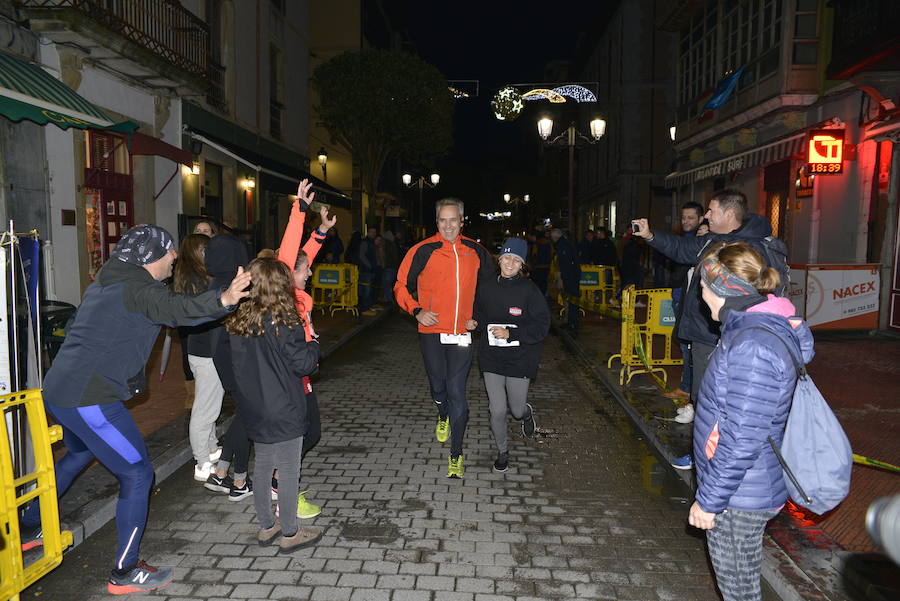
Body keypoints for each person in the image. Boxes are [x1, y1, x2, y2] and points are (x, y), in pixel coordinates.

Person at [20, 225, 250, 594]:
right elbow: (177, 310)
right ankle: (125, 572)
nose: (175, 257)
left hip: (60, 391)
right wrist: (222, 300)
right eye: (169, 252)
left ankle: (31, 527)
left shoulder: (106, 283)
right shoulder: (139, 289)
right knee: (139, 474)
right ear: (151, 258)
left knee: (79, 453)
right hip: (88, 398)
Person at [688, 241, 813, 601]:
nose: (701, 295)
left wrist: (709, 500)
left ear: (721, 289)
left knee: (738, 591)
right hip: (749, 484)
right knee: (742, 585)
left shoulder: (752, 345)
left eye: (702, 286)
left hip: (740, 494)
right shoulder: (755, 328)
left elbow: (743, 437)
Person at [632, 189, 777, 407]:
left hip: (724, 335)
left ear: (728, 215)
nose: (706, 215)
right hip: (705, 332)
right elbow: (682, 249)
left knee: (717, 398)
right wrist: (650, 235)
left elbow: (746, 297)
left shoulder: (749, 248)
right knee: (703, 394)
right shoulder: (714, 240)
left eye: (711, 210)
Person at [226, 258, 323, 554]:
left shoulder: (240, 319)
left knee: (264, 463)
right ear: (282, 285)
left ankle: (267, 526)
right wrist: (315, 344)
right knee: (290, 468)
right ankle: (291, 532)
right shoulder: (286, 320)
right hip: (283, 406)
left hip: (253, 405)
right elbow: (303, 363)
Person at [394, 198, 494, 478]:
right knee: (438, 388)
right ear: (436, 222)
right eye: (442, 220)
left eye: (453, 220)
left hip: (461, 334)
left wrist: (478, 317)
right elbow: (400, 285)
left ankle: (456, 454)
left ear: (462, 221)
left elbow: (488, 289)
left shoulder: (476, 251)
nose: (448, 225)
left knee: (456, 392)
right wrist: (416, 310)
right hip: (432, 331)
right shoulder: (423, 250)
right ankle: (442, 414)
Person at [272, 178, 336, 519]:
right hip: (289, 376)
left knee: (311, 433)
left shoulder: (297, 291)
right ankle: (284, 491)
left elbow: (302, 256)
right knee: (300, 435)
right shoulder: (284, 293)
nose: (310, 271)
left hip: (302, 374)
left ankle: (279, 480)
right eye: (305, 269)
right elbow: (290, 254)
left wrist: (321, 232)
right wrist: (300, 209)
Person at [469, 238, 549, 472]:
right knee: (498, 410)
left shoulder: (530, 291)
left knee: (515, 410)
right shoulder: (485, 287)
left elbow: (542, 325)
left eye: (516, 260)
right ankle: (502, 451)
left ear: (522, 266)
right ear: (499, 259)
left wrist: (511, 333)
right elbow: (480, 315)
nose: (510, 263)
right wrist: (474, 322)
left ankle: (526, 413)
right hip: (491, 357)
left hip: (520, 358)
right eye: (507, 257)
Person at [202, 234, 254, 501]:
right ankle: (239, 479)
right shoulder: (236, 287)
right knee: (248, 415)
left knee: (246, 413)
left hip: (222, 358)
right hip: (238, 359)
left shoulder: (213, 284)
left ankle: (222, 473)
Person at [171, 233, 225, 483]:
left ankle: (211, 448)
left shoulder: (189, 279)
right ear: (197, 252)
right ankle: (202, 462)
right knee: (206, 408)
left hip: (199, 350)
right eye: (205, 249)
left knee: (210, 402)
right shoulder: (200, 281)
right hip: (206, 352)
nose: (209, 254)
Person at [665, 202, 705, 418]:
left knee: (689, 344)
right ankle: (687, 386)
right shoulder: (686, 240)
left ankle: (688, 388)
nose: (686, 221)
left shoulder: (701, 241)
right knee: (683, 342)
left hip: (688, 298)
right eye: (683, 218)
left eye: (691, 217)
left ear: (701, 219)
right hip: (679, 293)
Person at [550, 228, 580, 333]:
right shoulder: (564, 244)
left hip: (570, 277)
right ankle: (570, 322)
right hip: (571, 276)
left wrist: (564, 277)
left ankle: (572, 323)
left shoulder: (563, 246)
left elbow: (566, 263)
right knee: (570, 299)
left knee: (571, 299)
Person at [358, 227, 378, 314]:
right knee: (366, 289)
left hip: (369, 270)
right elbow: (362, 256)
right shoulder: (365, 242)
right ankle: (364, 308)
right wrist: (370, 266)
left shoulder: (371, 242)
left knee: (367, 289)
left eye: (374, 232)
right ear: (368, 232)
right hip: (366, 270)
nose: (373, 234)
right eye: (371, 232)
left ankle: (367, 307)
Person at [531, 231, 553, 296]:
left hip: (537, 267)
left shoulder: (536, 244)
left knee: (537, 283)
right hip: (546, 267)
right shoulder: (549, 244)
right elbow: (552, 254)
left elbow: (534, 255)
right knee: (544, 283)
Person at [381, 231, 400, 304]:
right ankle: (390, 299)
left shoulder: (387, 245)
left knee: (386, 284)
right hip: (394, 267)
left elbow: (386, 257)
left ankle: (387, 299)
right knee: (390, 284)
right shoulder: (394, 244)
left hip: (389, 267)